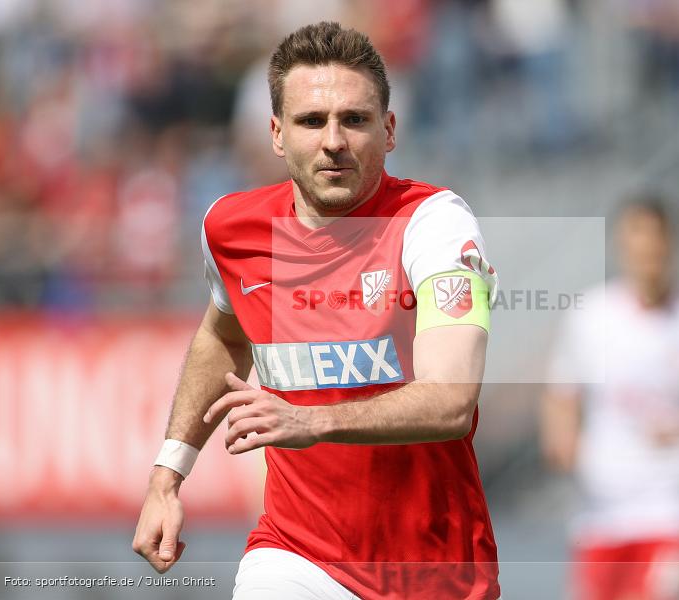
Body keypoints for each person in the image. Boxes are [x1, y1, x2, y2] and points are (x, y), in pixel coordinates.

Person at [132, 22, 500, 600]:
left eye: (354, 119)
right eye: (311, 121)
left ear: (390, 129)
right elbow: (223, 337)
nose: (334, 140)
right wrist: (167, 474)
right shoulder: (232, 230)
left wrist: (311, 421)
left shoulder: (436, 224)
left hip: (433, 572)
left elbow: (453, 398)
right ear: (277, 134)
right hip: (296, 555)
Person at [541, 197, 679, 600]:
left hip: (675, 507)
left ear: (672, 246)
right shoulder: (592, 316)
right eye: (637, 244)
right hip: (601, 512)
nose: (648, 257)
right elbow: (562, 391)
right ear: (622, 246)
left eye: (656, 245)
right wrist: (563, 440)